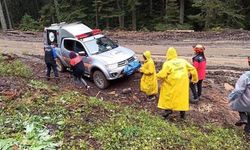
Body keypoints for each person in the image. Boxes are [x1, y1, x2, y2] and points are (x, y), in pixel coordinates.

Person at [157, 47, 198, 119]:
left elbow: (162, 75)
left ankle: (168, 111)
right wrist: (194, 79)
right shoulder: (183, 61)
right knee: (182, 98)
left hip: (172, 83)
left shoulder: (167, 64)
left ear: (168, 55)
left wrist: (156, 76)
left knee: (169, 96)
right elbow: (193, 69)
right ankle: (182, 115)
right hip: (183, 83)